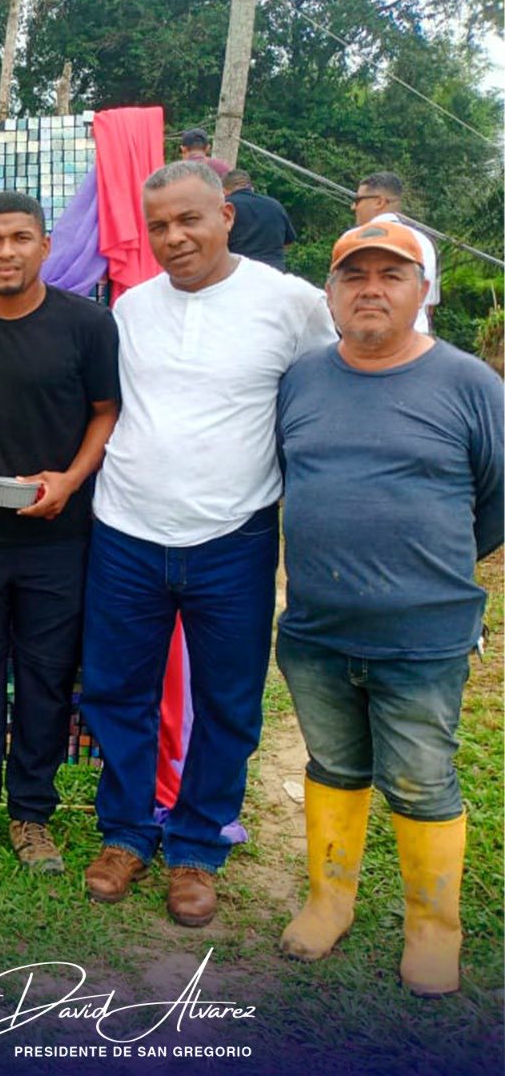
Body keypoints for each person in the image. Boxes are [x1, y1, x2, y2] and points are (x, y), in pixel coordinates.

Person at [80, 161, 336, 927]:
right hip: (126, 529)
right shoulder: (131, 306)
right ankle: (127, 833)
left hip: (235, 534)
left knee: (228, 699)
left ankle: (197, 845)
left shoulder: (290, 303)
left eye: (189, 219)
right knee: (116, 690)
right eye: (158, 226)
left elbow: (334, 381)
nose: (175, 238)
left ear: (226, 215)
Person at [275, 220, 502, 996]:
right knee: (334, 766)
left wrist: (429, 568)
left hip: (423, 636)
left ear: (422, 290)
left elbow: (496, 500)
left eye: (391, 274)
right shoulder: (302, 379)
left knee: (421, 782)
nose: (370, 289)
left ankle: (434, 931)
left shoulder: (470, 383)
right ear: (331, 293)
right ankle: (328, 904)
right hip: (317, 629)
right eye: (354, 275)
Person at [0, 192, 119, 874]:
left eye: (20, 238)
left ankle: (32, 814)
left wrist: (70, 479)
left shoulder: (87, 324)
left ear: (45, 246)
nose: (6, 251)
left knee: (46, 679)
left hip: (59, 541)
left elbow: (106, 410)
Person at [353, 171, 440, 333]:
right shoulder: (425, 242)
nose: (353, 207)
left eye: (358, 200)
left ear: (379, 202)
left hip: (368, 338)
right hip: (418, 338)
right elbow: (429, 306)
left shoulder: (354, 238)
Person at [222, 169, 296, 272]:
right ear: (251, 188)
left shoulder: (226, 207)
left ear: (224, 190)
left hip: (239, 271)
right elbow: (288, 242)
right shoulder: (275, 205)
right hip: (273, 272)